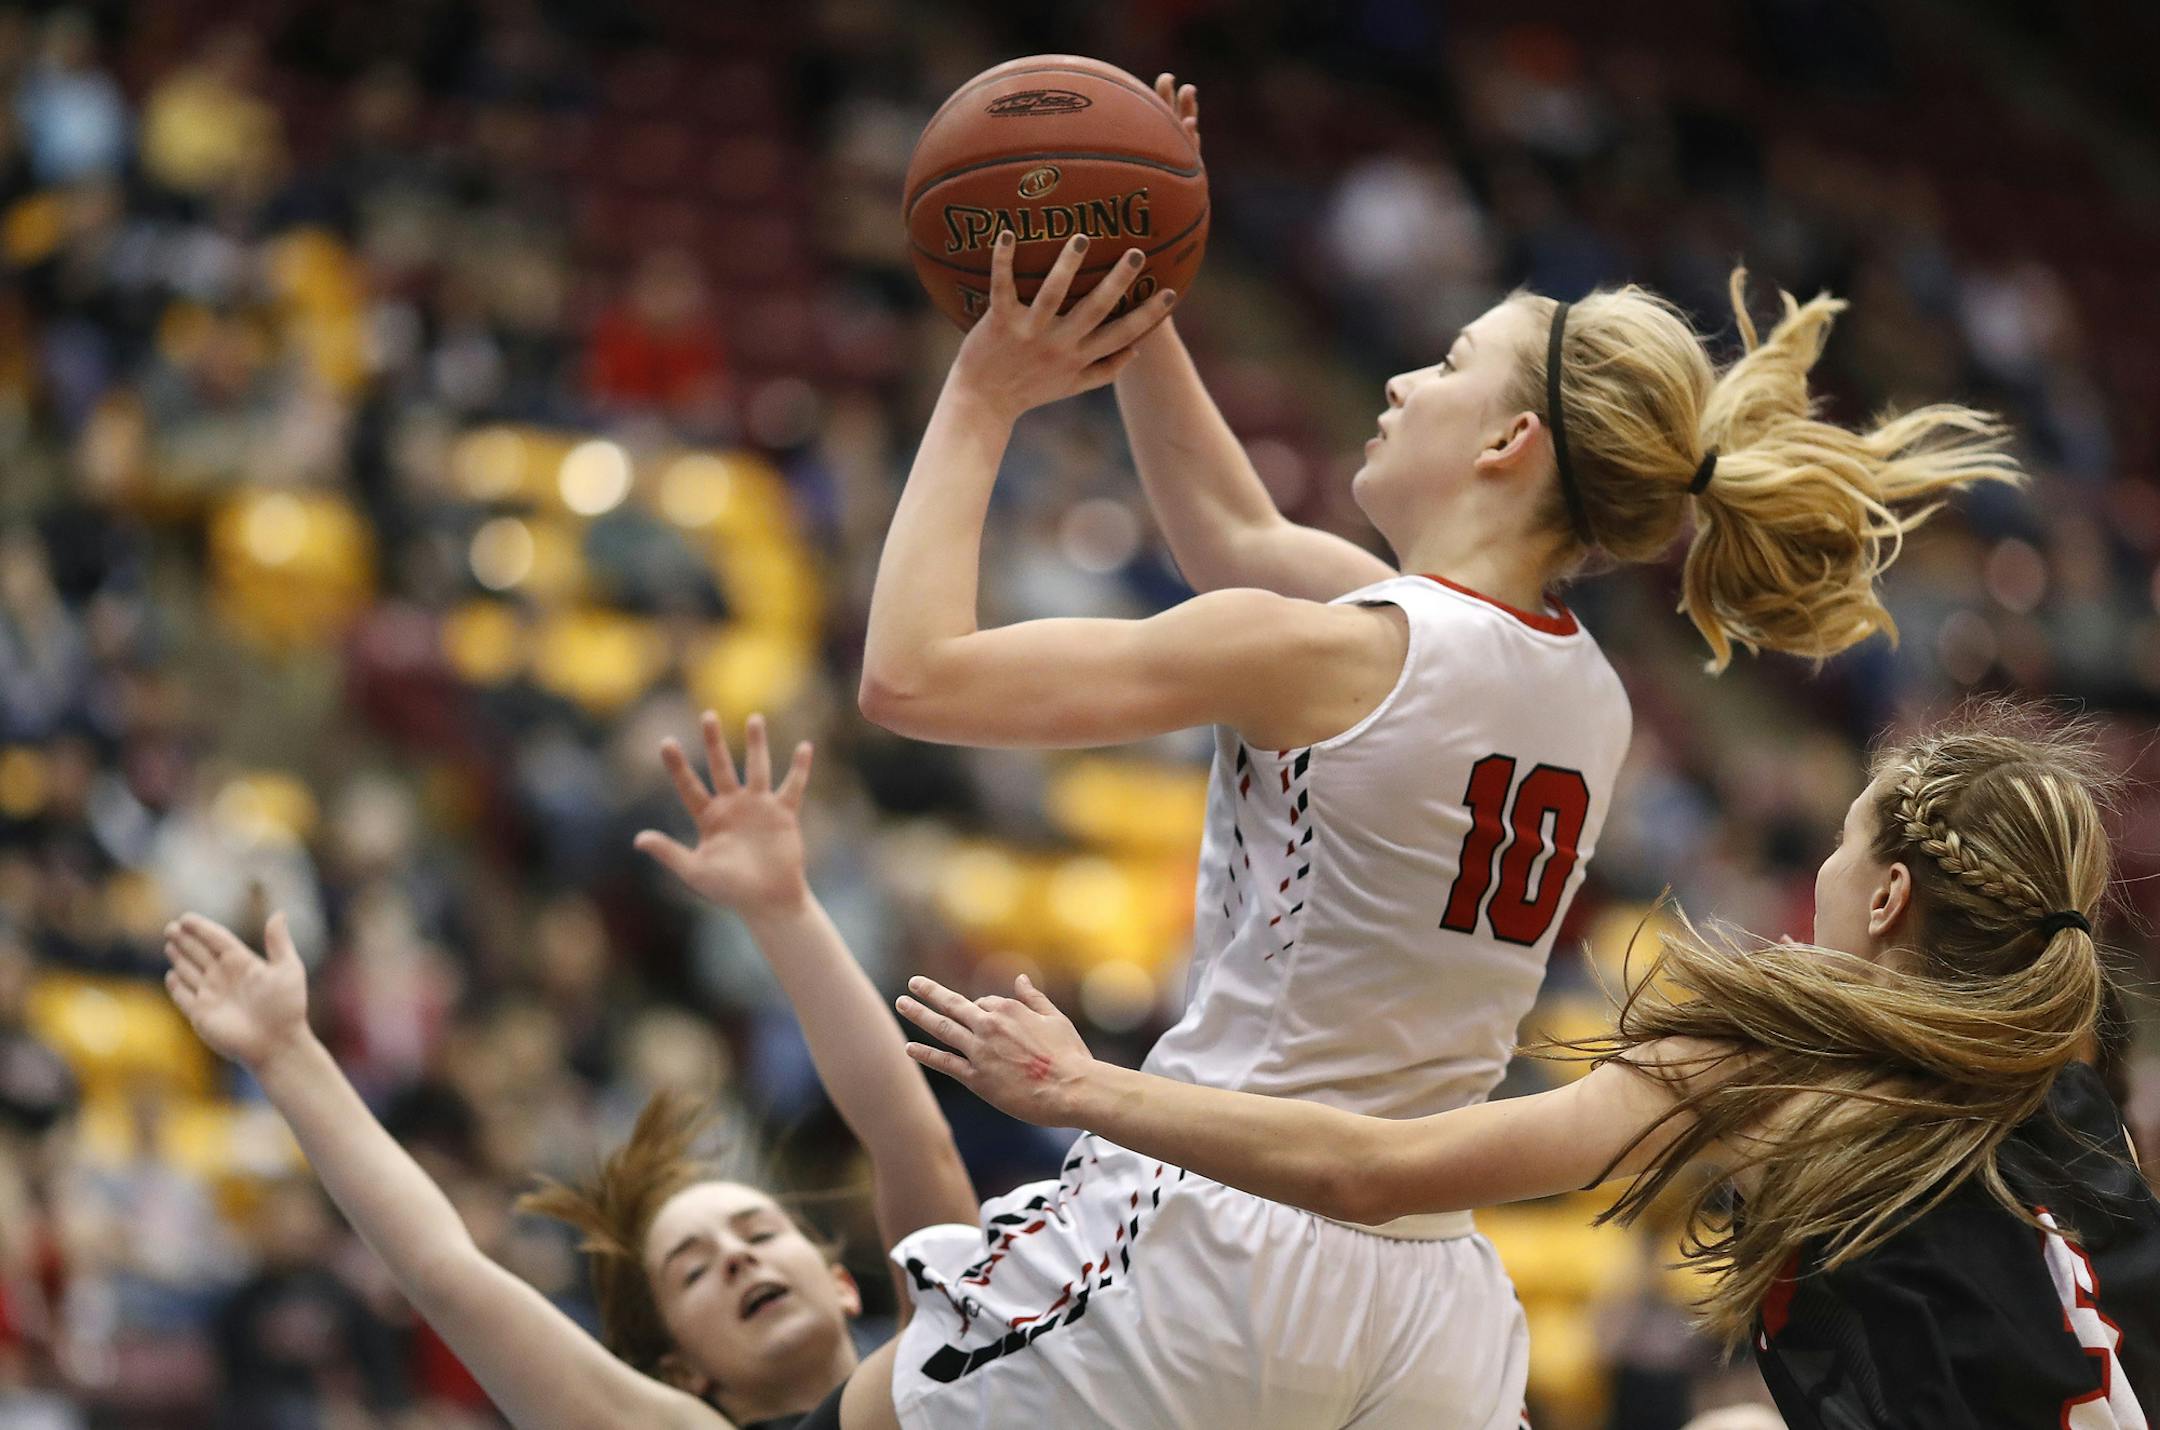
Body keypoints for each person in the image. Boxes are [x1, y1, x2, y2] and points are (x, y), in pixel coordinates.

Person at [857, 71, 2022, 1430]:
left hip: (1219, 1223)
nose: (1406, 379)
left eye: (1451, 361)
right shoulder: (1589, 694)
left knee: (859, 1415)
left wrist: (981, 391)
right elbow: (1234, 536)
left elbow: (908, 675)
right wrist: (1143, 286)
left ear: (1511, 439)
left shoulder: (1328, 652)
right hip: (1424, 1296)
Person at [899, 703, 2160, 1427]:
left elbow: (1370, 1174)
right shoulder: (2072, 1101)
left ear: (1885, 896)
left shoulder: (1773, 1060)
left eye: (1842, 842)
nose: (1818, 871)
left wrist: (1085, 1087)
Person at [162, 715, 969, 1430]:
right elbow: (449, 1276)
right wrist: (288, 1055)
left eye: (759, 1233)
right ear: (681, 1372)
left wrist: (784, 911)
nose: (736, 1258)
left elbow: (910, 1141)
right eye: (692, 1270)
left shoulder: (946, 1352)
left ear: (842, 1283)